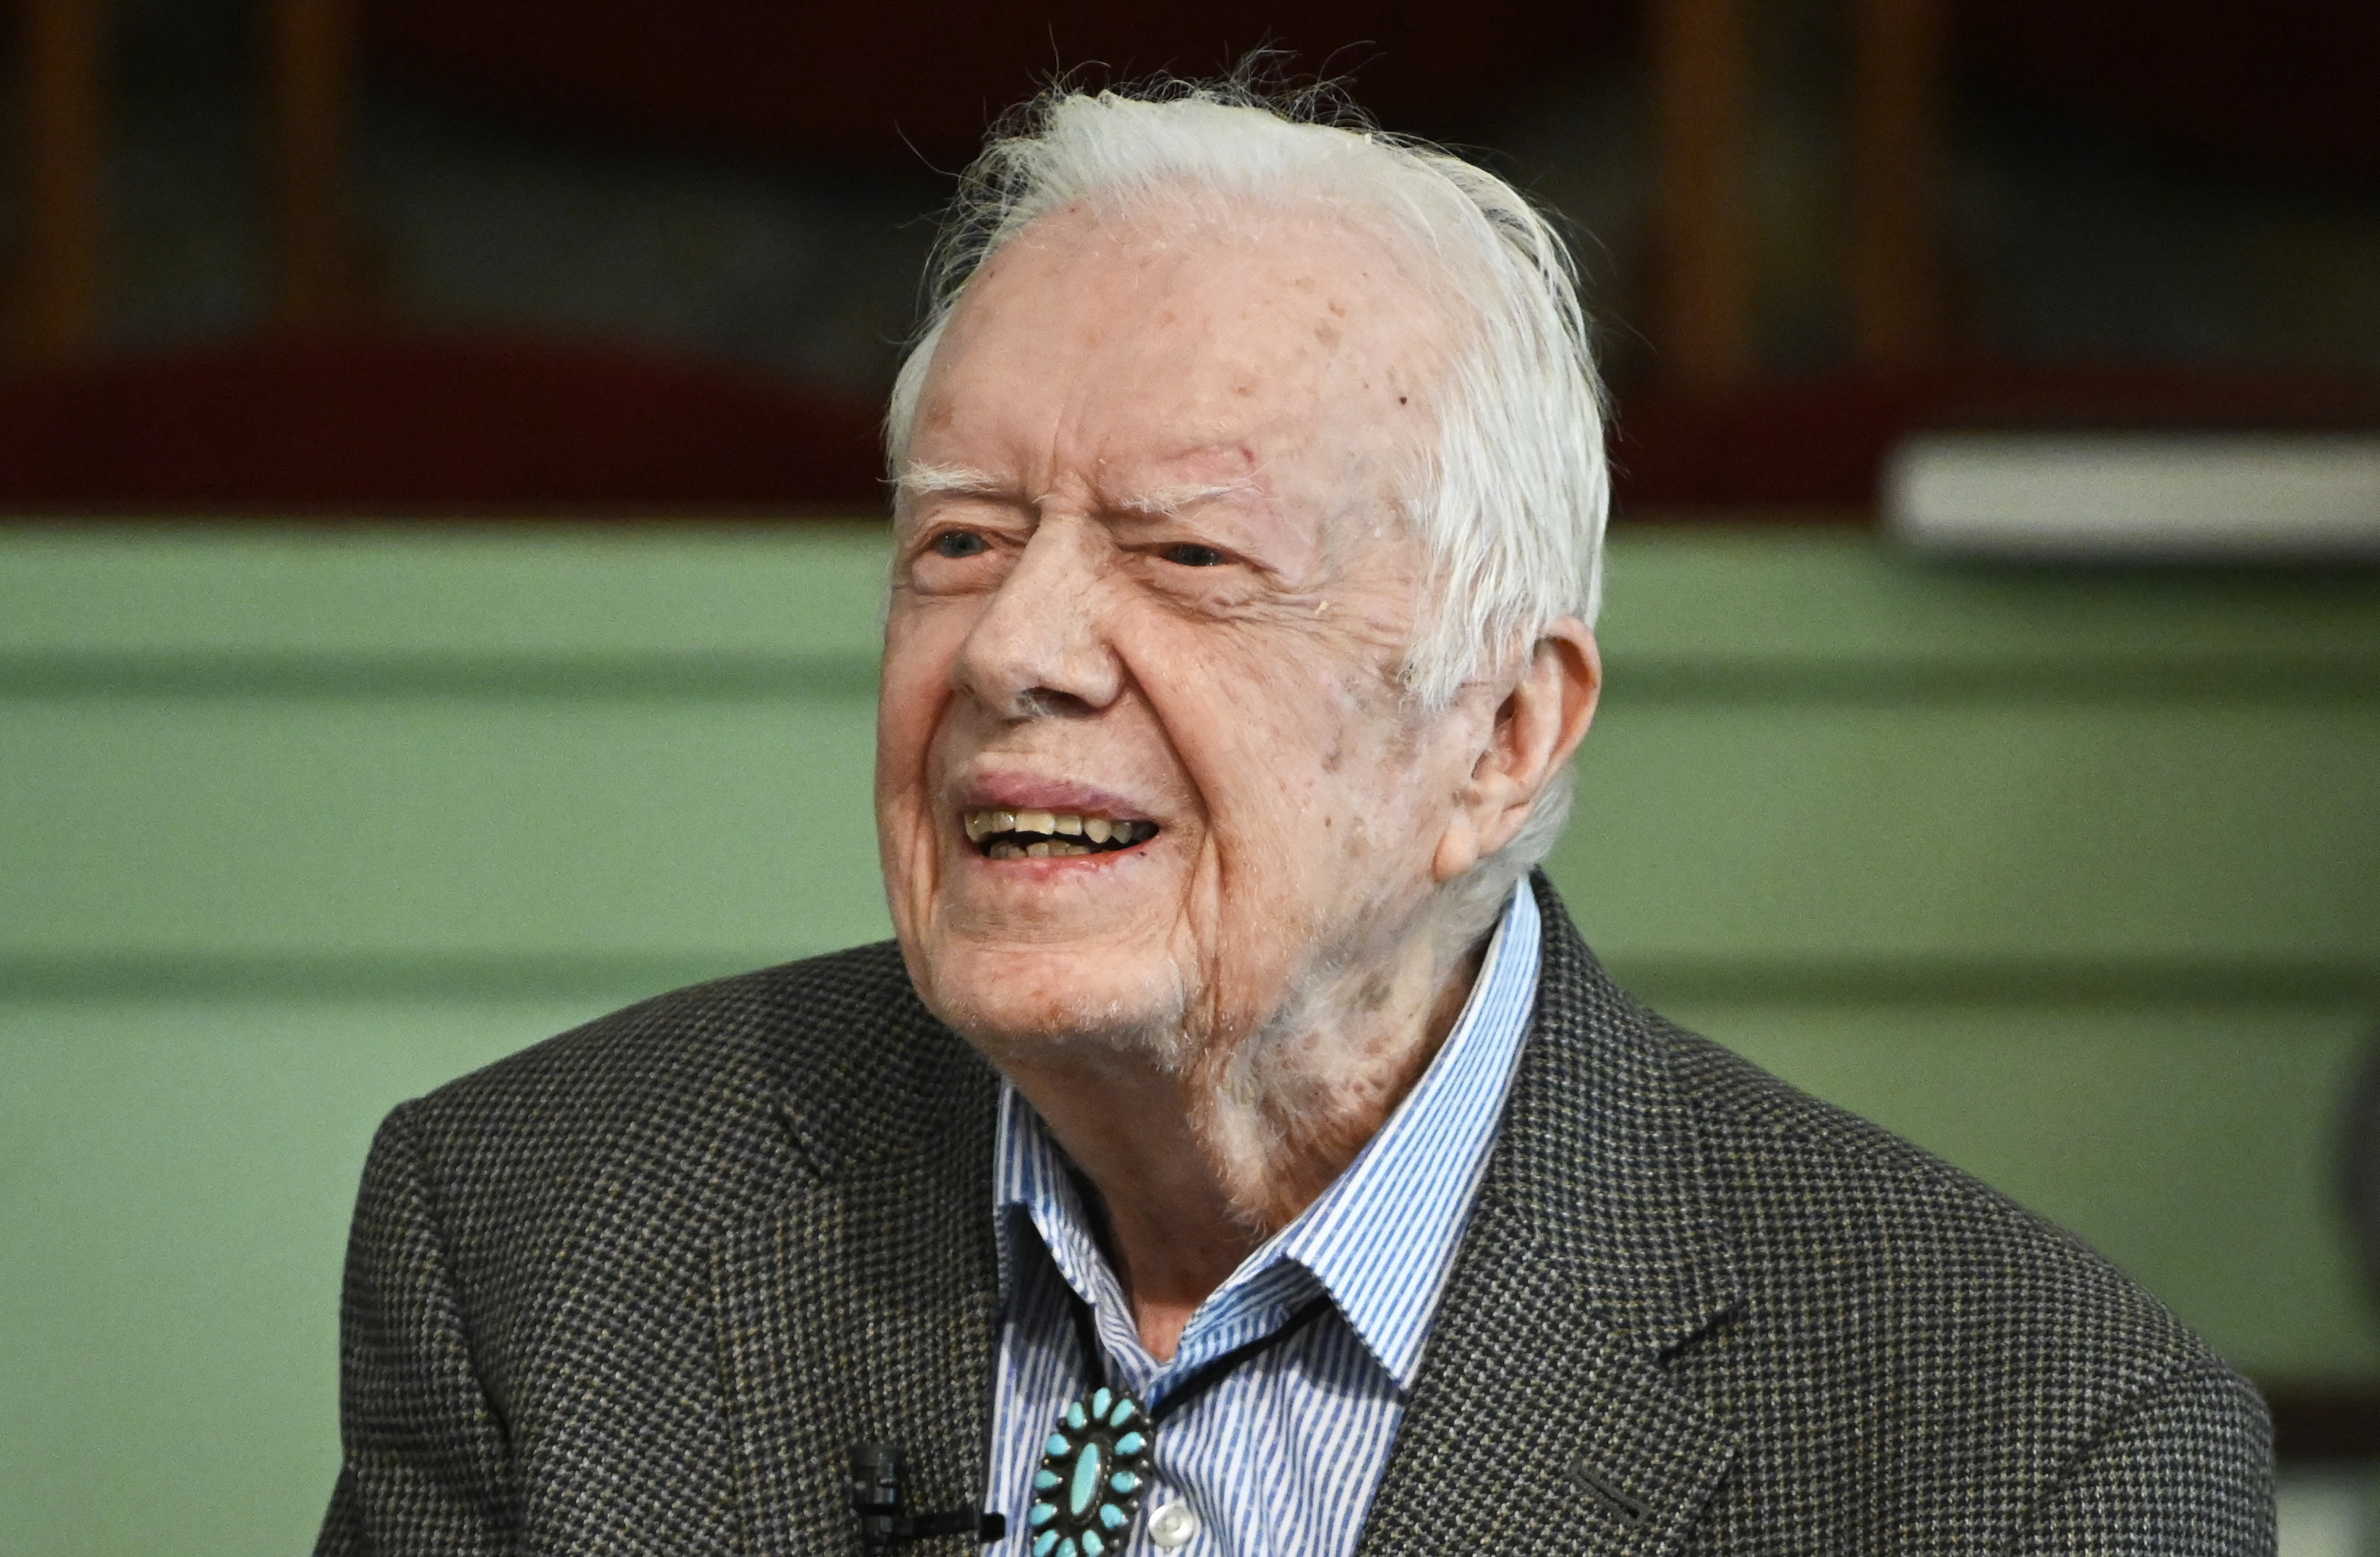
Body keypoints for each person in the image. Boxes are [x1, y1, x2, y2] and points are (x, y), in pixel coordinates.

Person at [317, 82, 2274, 1556]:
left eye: (1185, 554)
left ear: (1504, 731)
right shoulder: (544, 1242)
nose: (1018, 646)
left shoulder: (2025, 1444)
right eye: (961, 540)